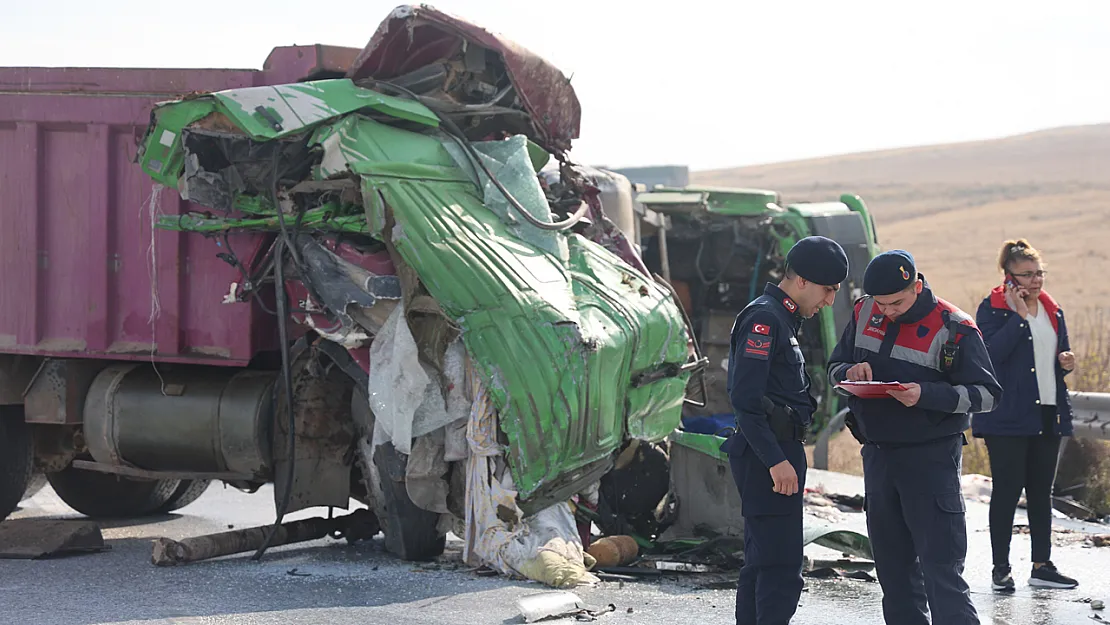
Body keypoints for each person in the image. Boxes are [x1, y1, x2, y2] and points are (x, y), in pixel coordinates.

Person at [826, 250, 1001, 625]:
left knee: (942, 574)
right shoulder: (863, 312)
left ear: (917, 286)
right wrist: (849, 371)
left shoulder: (954, 326)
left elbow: (988, 395)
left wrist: (926, 395)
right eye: (881, 304)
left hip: (931, 460)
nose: (887, 311)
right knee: (893, 574)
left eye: (896, 303)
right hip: (877, 457)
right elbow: (833, 367)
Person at [726, 235, 847, 625]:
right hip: (768, 457)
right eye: (828, 291)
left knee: (762, 566)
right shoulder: (765, 319)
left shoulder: (783, 318)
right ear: (802, 282)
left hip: (775, 453)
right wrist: (776, 460)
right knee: (780, 571)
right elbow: (745, 399)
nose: (829, 301)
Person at [973, 239, 1079, 591]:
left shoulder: (1052, 309)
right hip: (1006, 418)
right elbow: (990, 357)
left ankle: (1042, 565)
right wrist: (1019, 319)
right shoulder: (991, 310)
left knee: (1040, 492)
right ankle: (1000, 568)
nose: (1036, 281)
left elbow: (1047, 360)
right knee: (1006, 492)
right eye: (1028, 275)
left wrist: (1063, 363)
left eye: (1039, 273)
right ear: (1009, 276)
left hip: (1047, 413)